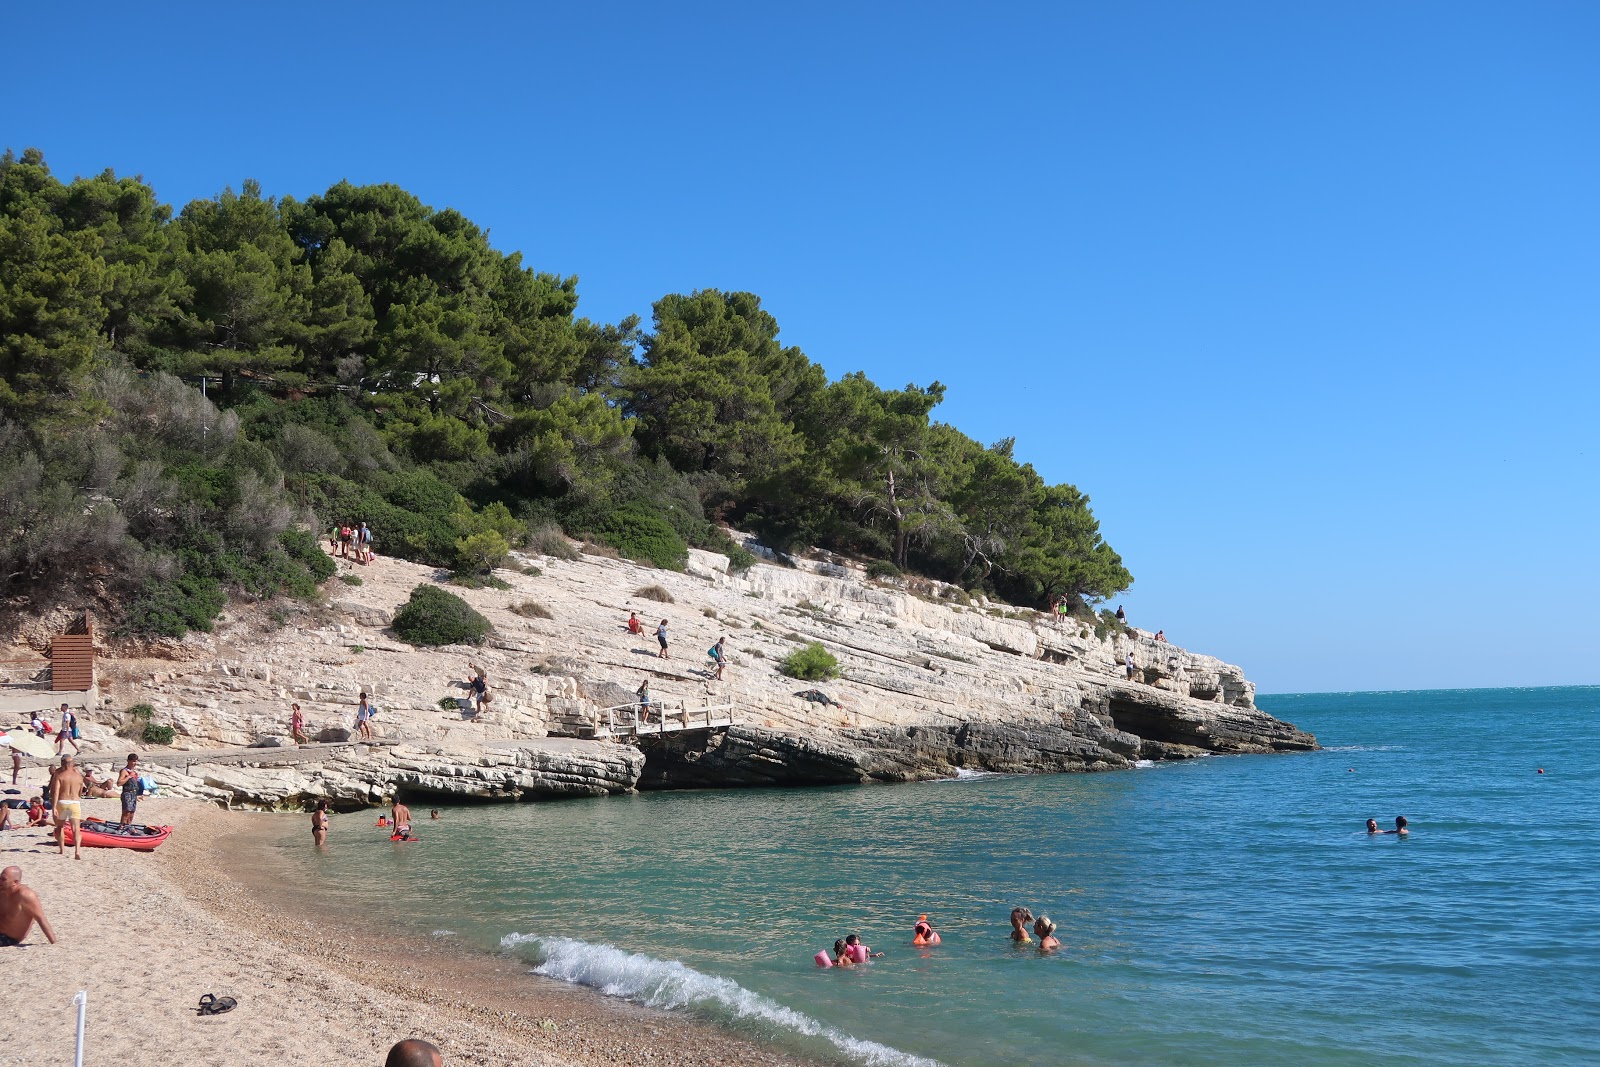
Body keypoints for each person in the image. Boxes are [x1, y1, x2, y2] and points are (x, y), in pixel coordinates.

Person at [0, 866, 57, 946]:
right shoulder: (2, 891)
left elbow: (41, 919)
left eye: (3, 879)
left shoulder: (26, 895)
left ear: (15, 882)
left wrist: (53, 943)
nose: (0, 881)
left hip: (9, 938)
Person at [50, 756, 85, 860]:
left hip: (62, 802)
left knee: (60, 827)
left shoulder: (60, 776)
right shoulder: (79, 777)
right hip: (74, 802)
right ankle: (77, 851)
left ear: (62, 763)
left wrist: (54, 807)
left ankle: (62, 850)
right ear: (72, 764)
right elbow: (80, 792)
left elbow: (56, 792)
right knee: (76, 829)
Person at [117, 753, 141, 827]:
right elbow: (119, 783)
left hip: (133, 794)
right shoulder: (124, 771)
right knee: (126, 812)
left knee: (132, 813)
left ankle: (128, 827)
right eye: (133, 761)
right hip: (127, 794)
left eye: (135, 761)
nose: (135, 763)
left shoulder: (134, 772)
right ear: (128, 761)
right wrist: (129, 776)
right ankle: (122, 827)